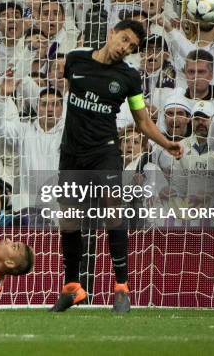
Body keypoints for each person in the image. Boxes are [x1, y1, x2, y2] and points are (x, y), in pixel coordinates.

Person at [52, 19, 183, 313]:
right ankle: (72, 287)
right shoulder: (74, 61)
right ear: (111, 33)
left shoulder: (129, 78)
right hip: (72, 154)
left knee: (113, 213)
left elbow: (142, 121)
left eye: (132, 47)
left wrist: (166, 143)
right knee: (69, 221)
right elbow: (73, 97)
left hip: (105, 153)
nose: (125, 48)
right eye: (123, 39)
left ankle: (121, 288)